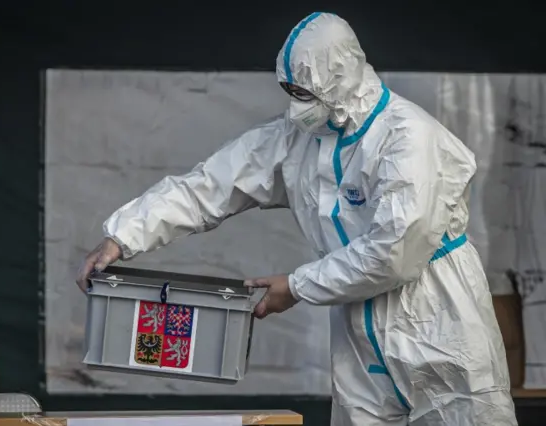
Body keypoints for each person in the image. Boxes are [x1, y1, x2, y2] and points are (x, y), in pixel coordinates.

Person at [76, 12, 518, 426]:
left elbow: (396, 252)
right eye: (290, 93)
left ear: (340, 80)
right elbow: (212, 184)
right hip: (359, 333)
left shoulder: (409, 139)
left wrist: (298, 285)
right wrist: (122, 235)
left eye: (304, 95)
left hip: (438, 319)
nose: (295, 107)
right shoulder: (301, 138)